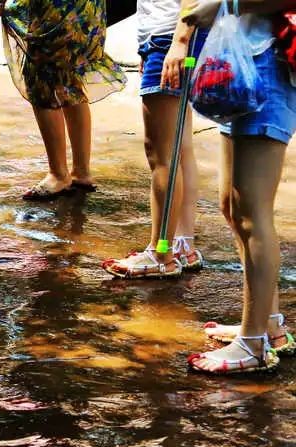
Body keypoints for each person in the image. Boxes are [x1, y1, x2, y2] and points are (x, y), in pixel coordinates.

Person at [183, 0, 296, 373]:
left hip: (269, 63)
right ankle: (269, 325)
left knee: (252, 212)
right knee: (232, 206)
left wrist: (226, 5)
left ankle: (252, 346)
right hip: (238, 62)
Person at [103, 0, 207, 277]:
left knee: (161, 153)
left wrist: (178, 42)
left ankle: (160, 253)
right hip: (170, 38)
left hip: (171, 38)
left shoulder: (175, 40)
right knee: (180, 147)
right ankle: (182, 245)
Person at [0, 0, 126, 200]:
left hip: (55, 10)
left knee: (41, 78)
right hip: (86, 9)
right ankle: (81, 171)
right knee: (69, 75)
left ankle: (58, 174)